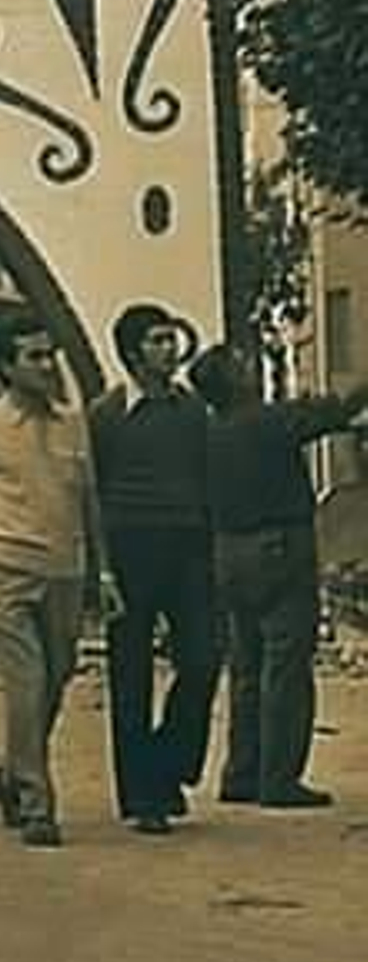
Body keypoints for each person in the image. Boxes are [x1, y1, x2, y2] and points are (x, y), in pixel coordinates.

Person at [0, 310, 120, 848]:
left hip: (65, 572)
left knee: (56, 677)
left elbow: (89, 502)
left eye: (50, 354)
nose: (48, 365)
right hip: (6, 571)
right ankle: (36, 803)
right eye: (35, 356)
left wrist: (104, 573)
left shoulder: (73, 423)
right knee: (27, 682)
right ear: (6, 367)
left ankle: (11, 772)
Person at [188, 342, 368, 809]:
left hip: (229, 551)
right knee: (286, 666)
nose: (251, 367)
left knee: (246, 665)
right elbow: (338, 409)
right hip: (279, 547)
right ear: (235, 380)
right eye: (242, 364)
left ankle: (241, 772)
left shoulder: (210, 431)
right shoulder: (266, 421)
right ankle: (280, 778)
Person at [87, 302, 219, 835]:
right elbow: (91, 494)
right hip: (128, 550)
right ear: (133, 354)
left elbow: (208, 477)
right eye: (158, 341)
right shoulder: (106, 415)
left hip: (189, 548)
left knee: (203, 659)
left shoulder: (193, 411)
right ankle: (143, 797)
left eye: (171, 340)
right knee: (130, 673)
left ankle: (168, 762)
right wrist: (101, 569)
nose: (169, 351)